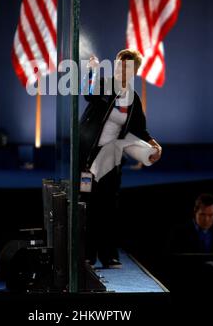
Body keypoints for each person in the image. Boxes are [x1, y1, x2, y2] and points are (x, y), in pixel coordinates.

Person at [79, 49, 162, 268]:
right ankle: (87, 255)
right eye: (117, 64)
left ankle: (109, 255)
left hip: (112, 157)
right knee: (87, 205)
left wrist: (153, 144)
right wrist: (91, 72)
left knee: (108, 208)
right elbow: (88, 94)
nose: (119, 69)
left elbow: (139, 129)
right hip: (88, 158)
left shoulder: (133, 99)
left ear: (134, 71)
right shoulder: (104, 84)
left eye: (125, 67)